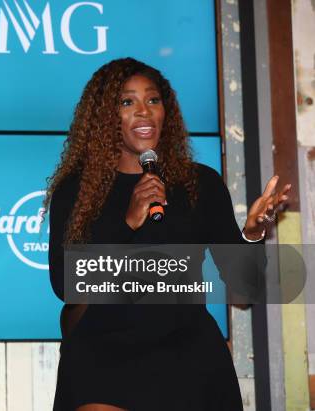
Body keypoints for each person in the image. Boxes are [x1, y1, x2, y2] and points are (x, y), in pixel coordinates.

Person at [45, 58, 290, 411]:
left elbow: (243, 293)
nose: (144, 112)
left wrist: (253, 234)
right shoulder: (77, 190)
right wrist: (126, 222)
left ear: (166, 111)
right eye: (127, 102)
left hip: (188, 351)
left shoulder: (199, 184)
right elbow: (66, 285)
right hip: (105, 352)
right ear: (104, 117)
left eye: (153, 100)